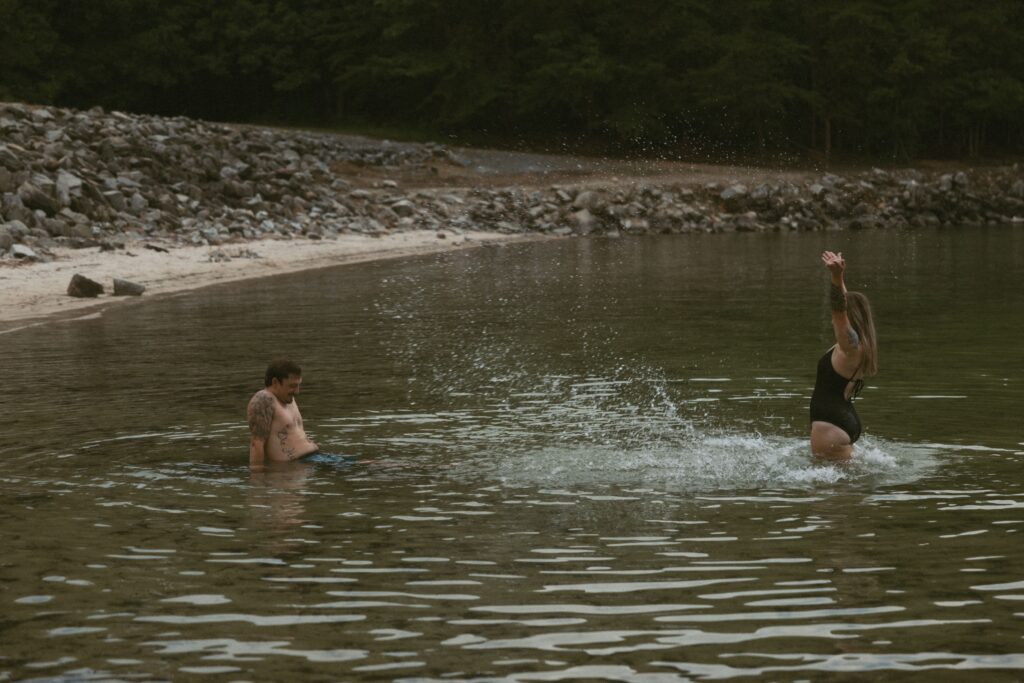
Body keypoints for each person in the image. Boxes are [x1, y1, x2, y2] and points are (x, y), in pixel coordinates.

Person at [809, 251, 878, 459]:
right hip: (841, 419)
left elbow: (839, 310)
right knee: (848, 486)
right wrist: (841, 275)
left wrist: (836, 278)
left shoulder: (850, 346)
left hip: (830, 426)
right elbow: (842, 304)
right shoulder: (858, 345)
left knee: (831, 490)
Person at [247, 358, 318, 466]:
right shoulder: (263, 399)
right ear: (275, 382)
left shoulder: (287, 398)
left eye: (298, 385)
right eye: (292, 386)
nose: (297, 391)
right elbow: (256, 444)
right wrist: (258, 478)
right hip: (295, 466)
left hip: (314, 461)